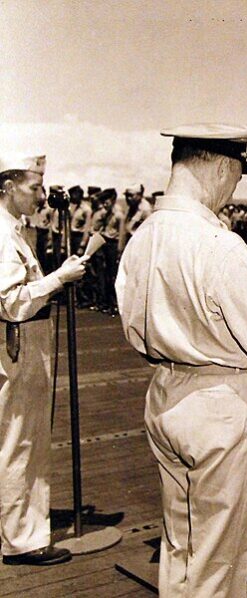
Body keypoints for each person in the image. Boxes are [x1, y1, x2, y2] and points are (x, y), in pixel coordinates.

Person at [116, 124, 247, 597]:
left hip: (165, 394)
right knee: (219, 558)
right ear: (223, 166)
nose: (233, 189)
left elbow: (129, 320)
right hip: (220, 404)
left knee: (181, 545)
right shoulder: (218, 245)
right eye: (237, 176)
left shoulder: (142, 237)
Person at [0, 154, 88, 566]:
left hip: (27, 343)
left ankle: (14, 527)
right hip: (18, 344)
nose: (41, 195)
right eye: (34, 187)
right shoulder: (3, 235)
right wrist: (59, 279)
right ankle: (21, 540)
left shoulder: (13, 231)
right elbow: (11, 301)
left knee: (18, 440)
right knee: (22, 442)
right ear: (8, 187)